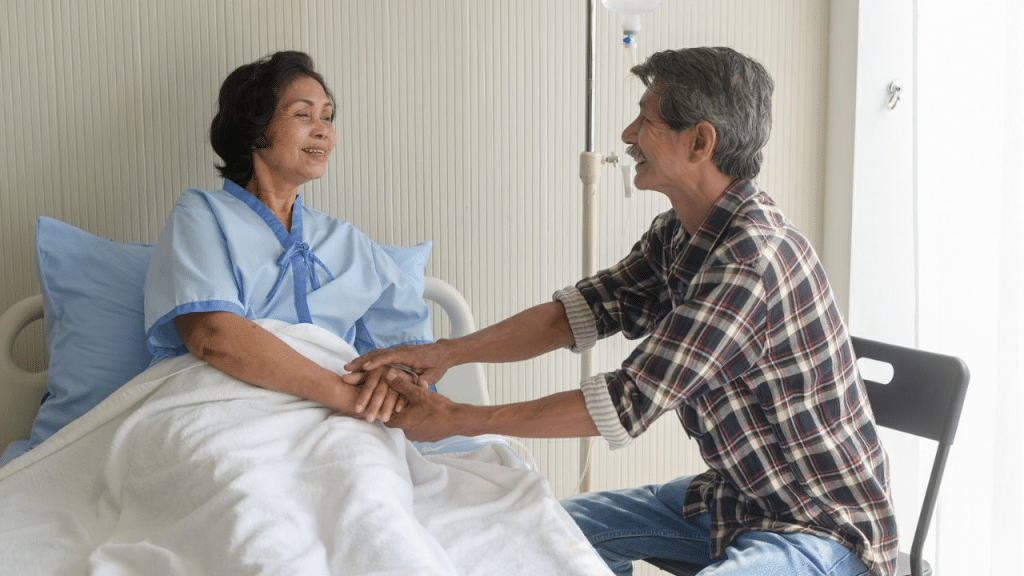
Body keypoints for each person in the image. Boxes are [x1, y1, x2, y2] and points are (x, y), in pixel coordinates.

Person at [345, 47, 898, 576]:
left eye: (646, 118)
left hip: (822, 529)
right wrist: (446, 352)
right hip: (737, 501)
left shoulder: (751, 260)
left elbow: (623, 403)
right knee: (552, 532)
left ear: (700, 141)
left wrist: (459, 419)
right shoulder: (679, 234)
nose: (628, 135)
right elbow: (578, 314)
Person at [144, 51, 429, 424]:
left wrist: (392, 379)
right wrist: (341, 394)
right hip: (229, 407)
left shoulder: (345, 240)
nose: (324, 130)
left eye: (327, 117)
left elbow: (407, 350)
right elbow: (213, 336)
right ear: (256, 128)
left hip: (338, 417)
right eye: (303, 114)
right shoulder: (200, 215)